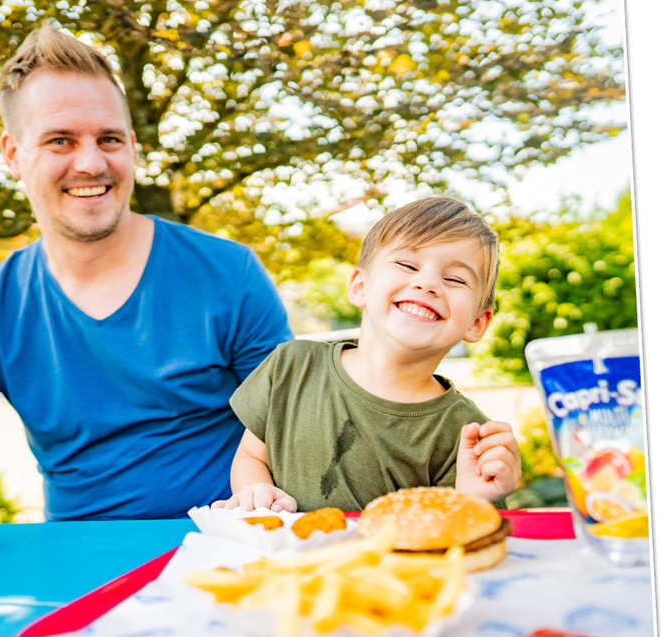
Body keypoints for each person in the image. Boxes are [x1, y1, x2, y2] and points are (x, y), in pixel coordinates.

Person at [0, 23, 293, 520]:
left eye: (110, 139)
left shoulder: (229, 273)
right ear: (13, 154)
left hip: (226, 551)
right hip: (78, 571)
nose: (92, 163)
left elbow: (293, 436)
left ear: (133, 148)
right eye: (60, 141)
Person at [213, 195, 521, 513]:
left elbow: (464, 535)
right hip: (280, 559)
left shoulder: (467, 434)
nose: (428, 283)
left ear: (477, 323)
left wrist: (471, 502)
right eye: (407, 264)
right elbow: (251, 455)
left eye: (455, 279)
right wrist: (257, 493)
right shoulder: (292, 365)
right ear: (360, 285)